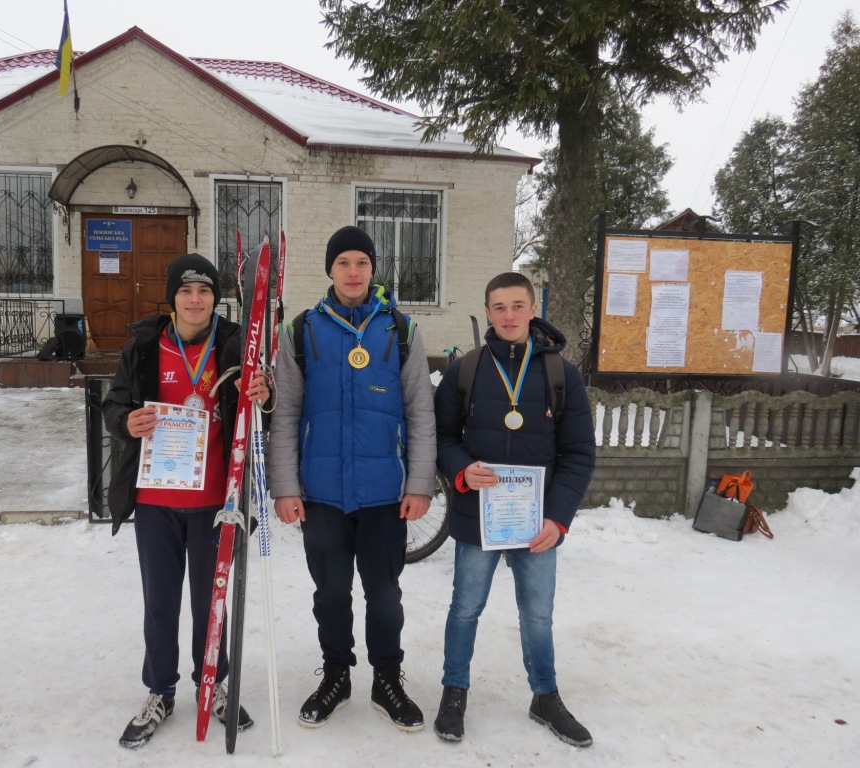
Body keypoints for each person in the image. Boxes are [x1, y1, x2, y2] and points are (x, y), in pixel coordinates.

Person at [269, 225, 437, 731]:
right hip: (321, 493)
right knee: (330, 593)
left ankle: (388, 676)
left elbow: (421, 411)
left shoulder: (399, 329)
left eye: (361, 262)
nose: (353, 271)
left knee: (384, 595)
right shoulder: (301, 330)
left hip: (385, 492)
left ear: (372, 269)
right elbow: (286, 414)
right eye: (343, 262)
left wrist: (421, 483)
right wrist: (285, 486)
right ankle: (337, 674)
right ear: (330, 270)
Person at [102, 252, 268, 749]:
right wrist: (125, 422)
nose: (195, 300)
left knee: (211, 604)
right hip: (156, 500)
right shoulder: (145, 346)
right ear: (172, 297)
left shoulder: (238, 343)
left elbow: (263, 406)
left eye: (204, 291)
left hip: (217, 500)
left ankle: (213, 682)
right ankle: (160, 690)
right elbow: (115, 404)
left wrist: (265, 390)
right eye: (185, 291)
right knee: (160, 602)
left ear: (216, 298)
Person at [432, 271, 596, 747]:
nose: (509, 316)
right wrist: (461, 470)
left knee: (538, 614)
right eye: (499, 307)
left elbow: (580, 454)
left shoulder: (560, 374)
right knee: (465, 609)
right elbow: (441, 438)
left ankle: (544, 696)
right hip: (477, 517)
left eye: (518, 306)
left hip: (536, 522)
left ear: (532, 310)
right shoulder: (466, 371)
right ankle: (454, 690)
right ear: (487, 312)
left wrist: (558, 518)